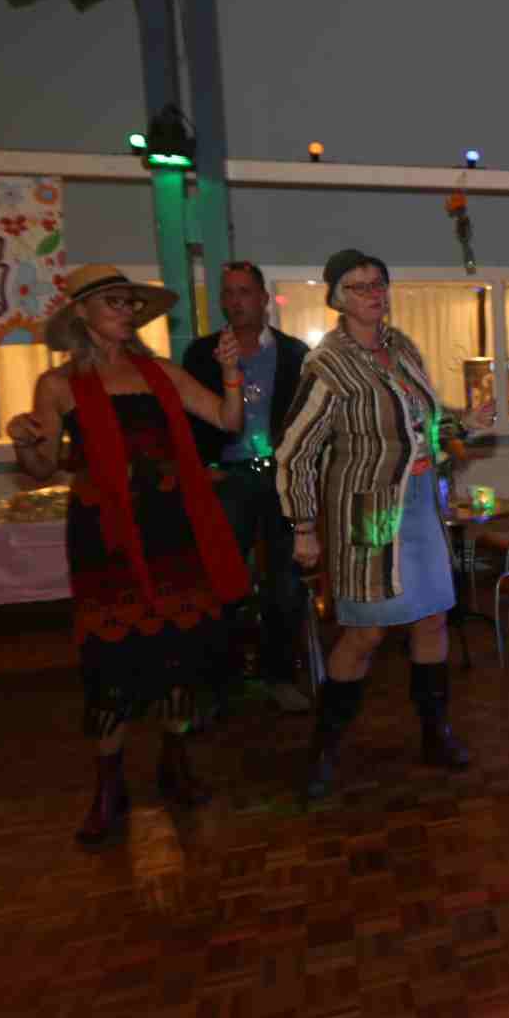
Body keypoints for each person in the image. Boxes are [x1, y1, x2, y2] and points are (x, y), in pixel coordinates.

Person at [6, 264, 249, 846]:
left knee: (178, 653)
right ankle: (109, 787)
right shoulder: (58, 384)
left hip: (171, 529)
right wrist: (24, 441)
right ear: (81, 314)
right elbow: (40, 467)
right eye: (113, 301)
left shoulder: (161, 373)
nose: (125, 311)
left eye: (130, 303)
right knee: (111, 661)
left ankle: (174, 763)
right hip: (105, 536)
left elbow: (227, 420)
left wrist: (230, 373)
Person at [278, 249, 493, 798]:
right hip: (369, 513)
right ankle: (324, 748)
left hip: (420, 503)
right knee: (367, 631)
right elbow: (295, 452)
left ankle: (435, 733)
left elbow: (422, 421)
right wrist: (303, 525)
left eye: (379, 283)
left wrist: (464, 422)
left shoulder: (402, 349)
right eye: (359, 286)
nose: (373, 294)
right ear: (337, 298)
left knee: (432, 620)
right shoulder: (327, 365)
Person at [184, 261, 314, 715]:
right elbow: (186, 419)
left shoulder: (294, 352)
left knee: (286, 580)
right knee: (222, 579)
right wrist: (203, 467)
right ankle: (219, 682)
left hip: (281, 477)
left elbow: (309, 418)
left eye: (244, 292)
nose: (235, 301)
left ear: (263, 298)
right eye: (228, 293)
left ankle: (279, 675)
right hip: (229, 476)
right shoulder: (202, 354)